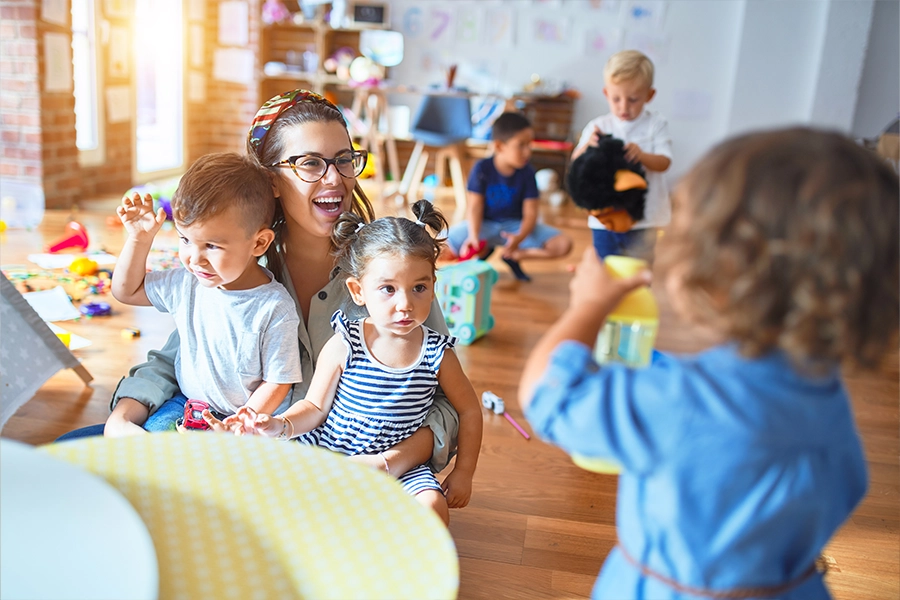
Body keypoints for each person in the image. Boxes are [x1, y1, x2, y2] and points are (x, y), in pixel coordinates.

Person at [520, 127, 898, 599]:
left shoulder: (683, 400)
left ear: (720, 274)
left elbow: (546, 395)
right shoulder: (828, 401)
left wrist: (586, 307)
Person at [60, 89, 460, 481]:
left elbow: (445, 403)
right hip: (229, 444)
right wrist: (123, 415)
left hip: (334, 470)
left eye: (343, 160)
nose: (334, 178)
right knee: (64, 459)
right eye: (310, 164)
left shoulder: (390, 272)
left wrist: (391, 462)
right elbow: (176, 359)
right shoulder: (233, 264)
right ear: (270, 180)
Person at [219, 201, 483, 526]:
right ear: (358, 291)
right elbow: (315, 406)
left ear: (432, 288)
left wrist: (464, 472)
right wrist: (281, 425)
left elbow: (469, 410)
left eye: (419, 287)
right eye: (387, 289)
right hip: (332, 448)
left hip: (401, 463)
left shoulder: (437, 353)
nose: (405, 304)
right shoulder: (346, 341)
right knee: (269, 486)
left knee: (433, 506)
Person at [111, 153, 303, 430]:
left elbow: (279, 380)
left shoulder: (274, 307)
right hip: (190, 406)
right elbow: (126, 291)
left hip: (250, 419)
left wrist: (243, 421)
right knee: (152, 447)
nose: (194, 258)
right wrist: (139, 239)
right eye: (185, 239)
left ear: (259, 243)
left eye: (211, 246)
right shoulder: (187, 283)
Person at [444, 112, 572, 282]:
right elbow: (474, 207)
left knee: (563, 244)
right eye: (521, 145)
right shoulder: (482, 168)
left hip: (515, 227)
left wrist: (519, 238)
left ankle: (513, 255)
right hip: (484, 225)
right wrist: (474, 236)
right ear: (499, 146)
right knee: (438, 246)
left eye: (529, 145)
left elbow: (531, 214)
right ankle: (482, 251)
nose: (528, 151)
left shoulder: (527, 173)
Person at [571, 49, 671, 261]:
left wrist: (642, 155)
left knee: (640, 271)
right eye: (616, 99)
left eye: (633, 99)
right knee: (605, 267)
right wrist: (587, 146)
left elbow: (664, 163)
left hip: (645, 218)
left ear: (649, 95)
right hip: (604, 217)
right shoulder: (598, 125)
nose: (624, 106)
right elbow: (575, 162)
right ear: (606, 93)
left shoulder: (656, 124)